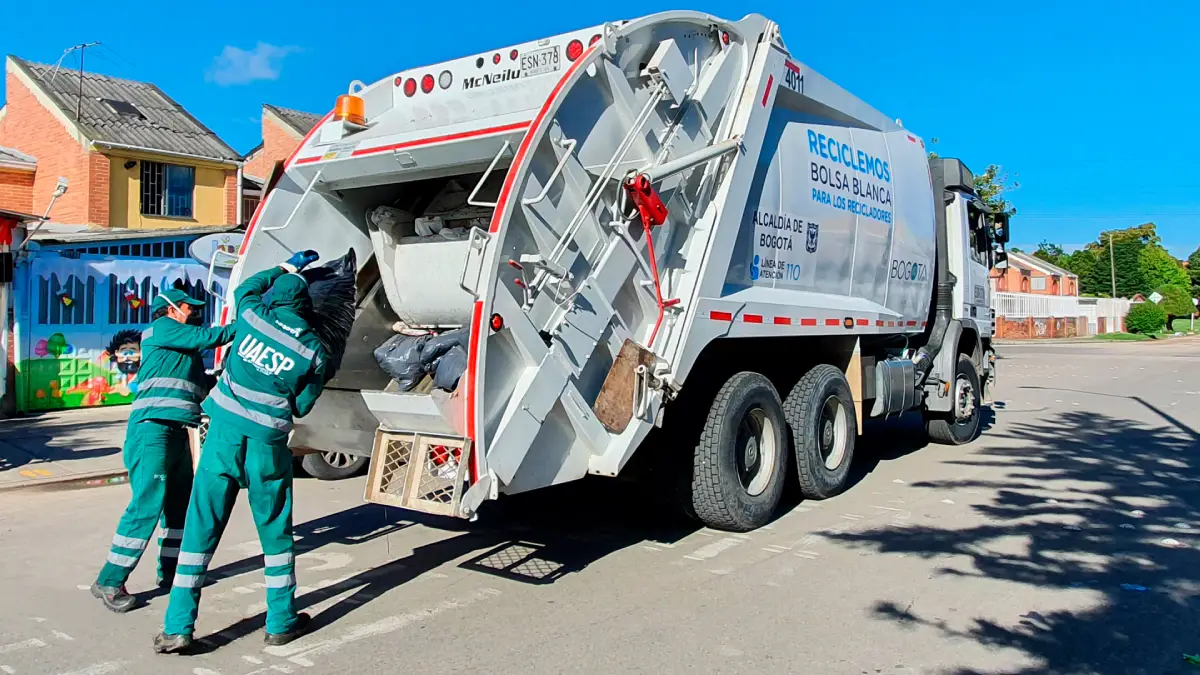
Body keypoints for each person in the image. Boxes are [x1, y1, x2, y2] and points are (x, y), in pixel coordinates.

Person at [155, 251, 328, 653]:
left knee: (201, 528)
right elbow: (302, 405)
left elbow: (246, 288)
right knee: (276, 533)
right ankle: (281, 621)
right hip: (267, 447)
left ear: (275, 299)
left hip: (223, 439)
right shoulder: (314, 352)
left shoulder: (251, 317)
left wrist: (283, 267)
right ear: (305, 306)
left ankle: (178, 627)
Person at [92, 289, 236, 612]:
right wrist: (248, 325)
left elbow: (203, 390)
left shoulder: (187, 355)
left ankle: (171, 573)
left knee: (178, 506)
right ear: (170, 310)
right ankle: (110, 580)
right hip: (151, 430)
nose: (194, 312)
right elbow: (211, 336)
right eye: (188, 307)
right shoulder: (160, 329)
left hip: (177, 432)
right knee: (146, 505)